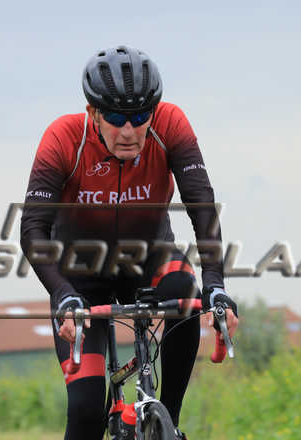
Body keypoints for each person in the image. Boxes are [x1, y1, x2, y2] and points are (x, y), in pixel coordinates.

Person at [20, 45, 238, 440]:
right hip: (80, 276)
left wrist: (216, 284)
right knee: (86, 411)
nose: (128, 131)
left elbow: (201, 205)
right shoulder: (64, 137)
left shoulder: (170, 124)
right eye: (116, 118)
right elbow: (33, 228)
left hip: (148, 259)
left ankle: (168, 423)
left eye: (139, 118)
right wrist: (62, 294)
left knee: (184, 289)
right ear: (93, 113)